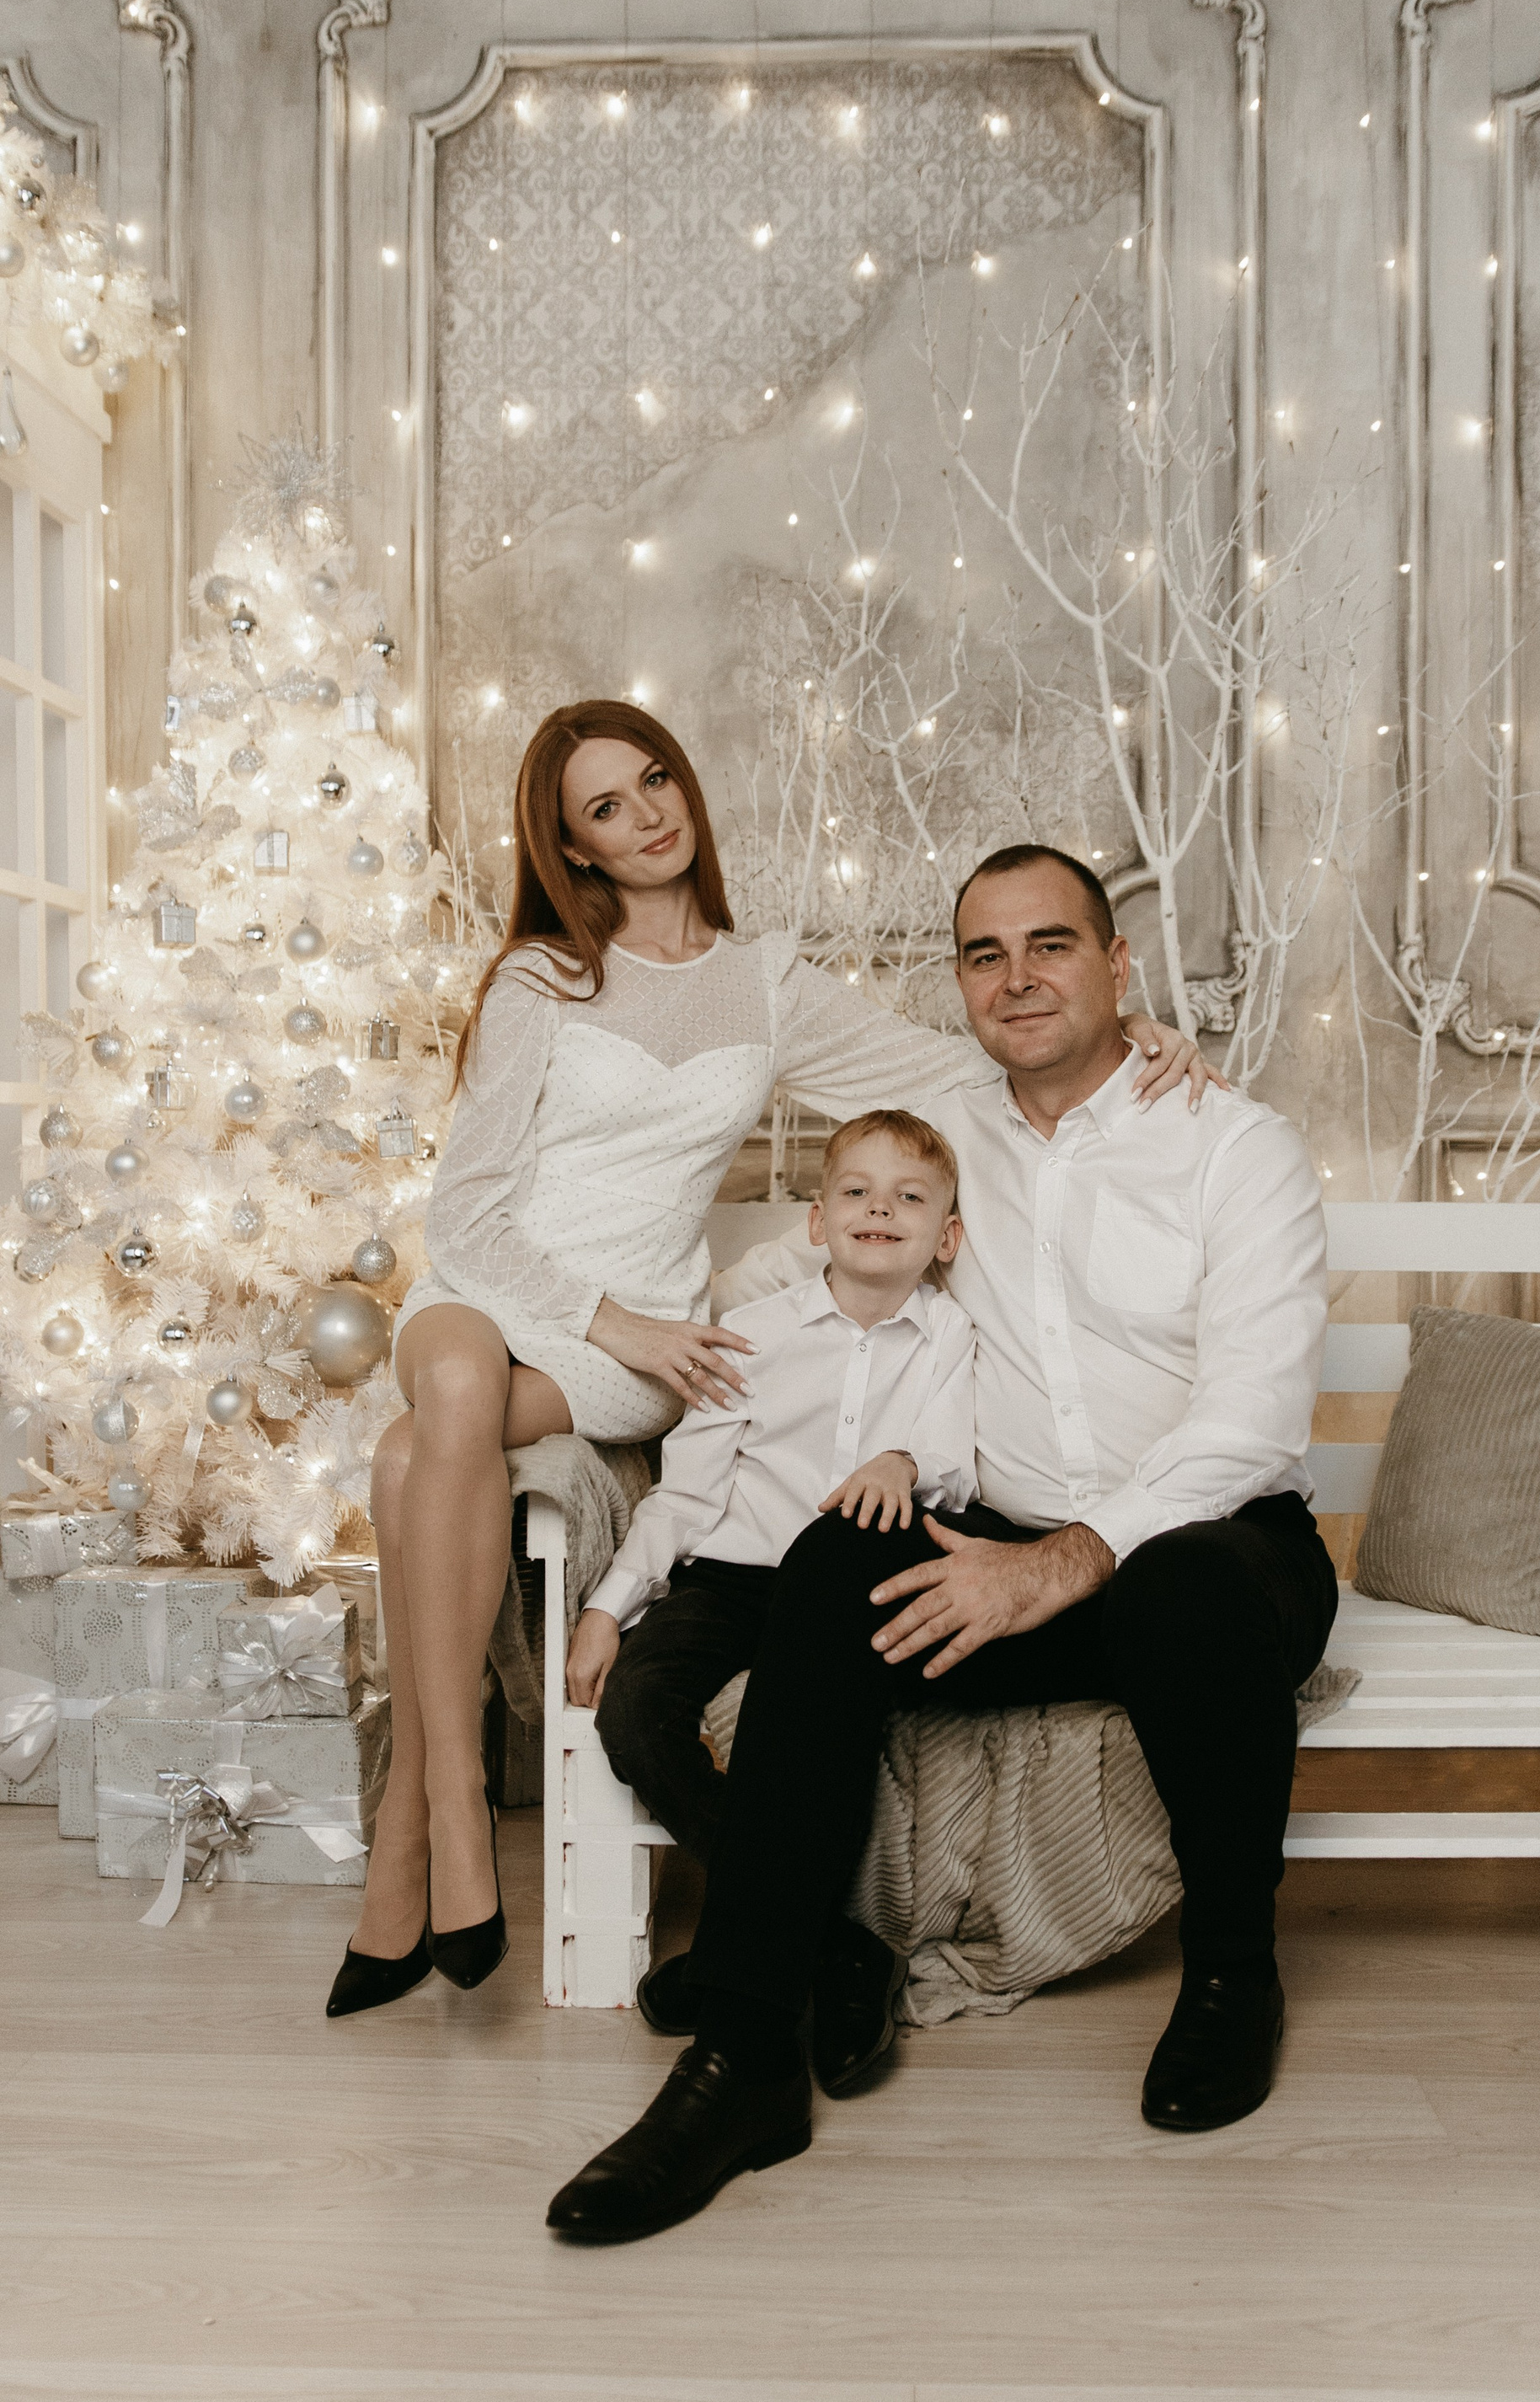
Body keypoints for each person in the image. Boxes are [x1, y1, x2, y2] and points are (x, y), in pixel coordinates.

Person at [325, 706, 1210, 2019]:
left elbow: (954, 1072)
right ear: (572, 848)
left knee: (413, 1455)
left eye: (655, 780)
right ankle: (451, 1802)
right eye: (606, 808)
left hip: (649, 1345)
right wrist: (608, 1318)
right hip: (502, 1292)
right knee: (442, 1394)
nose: (646, 815)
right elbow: (466, 1215)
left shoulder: (767, 982)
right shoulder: (540, 980)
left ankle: (412, 1831)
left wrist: (1128, 1038)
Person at [546, 842, 1334, 2245]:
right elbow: (806, 1236)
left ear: (1118, 966)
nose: (1018, 978)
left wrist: (1066, 1560)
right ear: (962, 983)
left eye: (1052, 945)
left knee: (1184, 1589)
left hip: (1215, 1550)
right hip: (999, 1544)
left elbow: (1254, 1419)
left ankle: (1232, 1974)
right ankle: (748, 2051)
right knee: (833, 1561)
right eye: (986, 953)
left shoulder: (1232, 1143)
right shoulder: (943, 1132)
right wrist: (633, 1335)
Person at [570, 1107, 975, 2090]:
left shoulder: (951, 1335)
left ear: (947, 1237)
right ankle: (835, 1944)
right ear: (818, 1221)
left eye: (910, 1197)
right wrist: (608, 1605)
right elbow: (686, 1495)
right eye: (857, 1192)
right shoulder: (751, 1336)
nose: (881, 1209)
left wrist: (903, 1459)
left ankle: (745, 1953)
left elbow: (958, 1465)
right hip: (732, 1578)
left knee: (824, 1731)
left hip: (851, 1592)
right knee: (632, 1711)